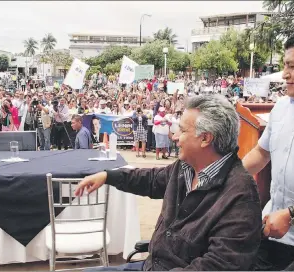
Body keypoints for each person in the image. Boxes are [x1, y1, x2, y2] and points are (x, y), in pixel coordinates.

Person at [76, 94, 262, 271]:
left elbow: (219, 265)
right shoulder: (184, 168)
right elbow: (150, 180)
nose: (174, 137)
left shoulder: (240, 195)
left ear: (205, 138)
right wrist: (108, 176)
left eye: (182, 130)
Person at [242, 31, 294, 271]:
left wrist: (291, 215)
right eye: (284, 66)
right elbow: (262, 153)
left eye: (292, 66)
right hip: (272, 230)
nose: (284, 74)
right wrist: (226, 176)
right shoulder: (281, 107)